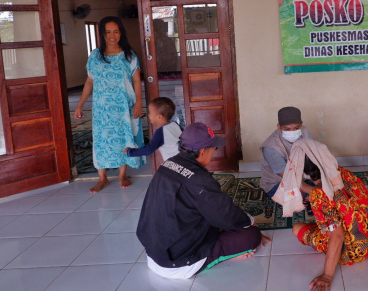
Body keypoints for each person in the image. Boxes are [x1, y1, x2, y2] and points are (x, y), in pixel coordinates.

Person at [136, 122, 269, 279]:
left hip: (154, 253)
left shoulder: (168, 164)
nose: (214, 152)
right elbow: (226, 214)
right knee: (251, 236)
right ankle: (220, 256)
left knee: (214, 217)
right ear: (203, 151)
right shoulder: (199, 180)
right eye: (214, 148)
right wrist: (250, 221)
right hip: (178, 263)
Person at [273, 139, 368, 291]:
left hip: (358, 250)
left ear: (302, 171)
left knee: (297, 228)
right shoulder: (342, 172)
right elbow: (334, 194)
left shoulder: (320, 197)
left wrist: (327, 275)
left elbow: (337, 236)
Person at [74, 16, 145, 193]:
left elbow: (137, 81)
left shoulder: (129, 55)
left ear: (121, 33)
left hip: (123, 107)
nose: (112, 35)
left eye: (116, 31)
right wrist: (80, 104)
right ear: (102, 34)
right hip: (102, 109)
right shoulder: (95, 56)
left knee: (123, 138)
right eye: (108, 32)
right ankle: (102, 178)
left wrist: (138, 103)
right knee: (101, 140)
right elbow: (89, 81)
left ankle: (122, 174)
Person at [260, 106, 314, 197]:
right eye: (287, 129)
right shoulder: (271, 147)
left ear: (301, 124)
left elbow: (312, 156)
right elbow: (288, 177)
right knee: (297, 196)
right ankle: (307, 198)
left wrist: (318, 180)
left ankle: (309, 196)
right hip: (278, 183)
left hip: (302, 176)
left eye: (296, 128)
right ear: (279, 127)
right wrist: (317, 193)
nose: (293, 132)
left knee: (331, 176)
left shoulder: (304, 132)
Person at [124, 97, 182, 161]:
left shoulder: (161, 132)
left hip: (175, 164)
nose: (148, 115)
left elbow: (149, 150)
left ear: (159, 117)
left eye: (150, 113)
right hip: (184, 159)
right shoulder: (175, 125)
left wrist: (130, 152)